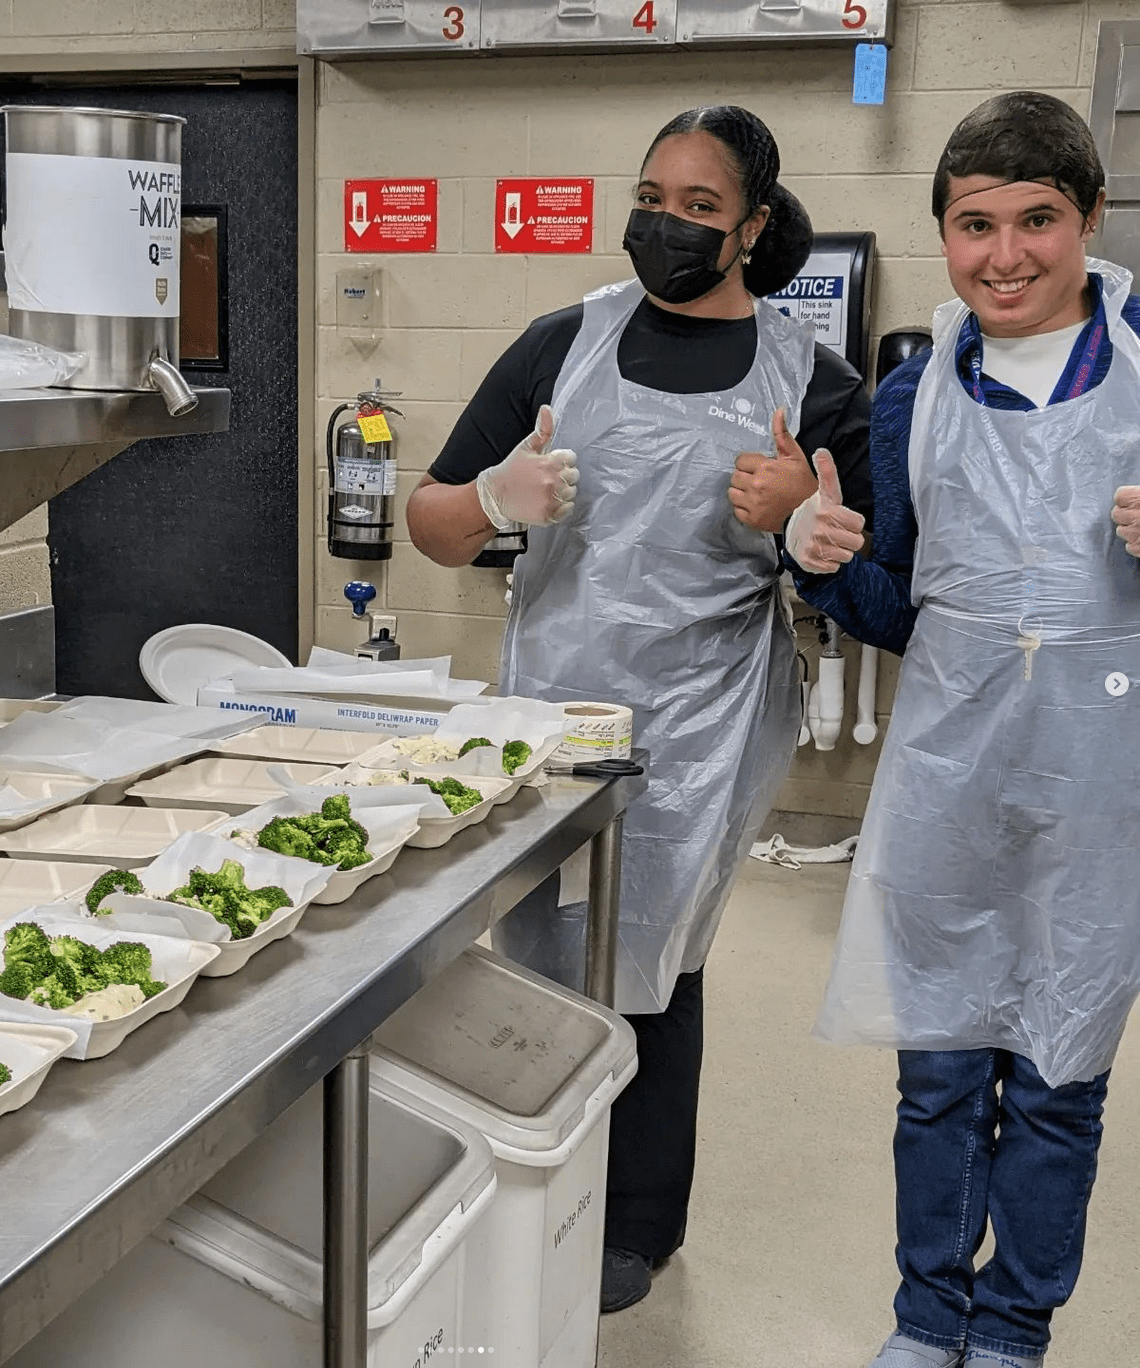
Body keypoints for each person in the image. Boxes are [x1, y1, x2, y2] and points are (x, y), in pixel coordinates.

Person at [406, 105, 871, 1314]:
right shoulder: (562, 342)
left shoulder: (810, 381)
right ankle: (529, 1165)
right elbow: (432, 522)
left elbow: (863, 572)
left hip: (709, 718)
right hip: (555, 706)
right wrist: (499, 500)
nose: (666, 225)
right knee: (546, 947)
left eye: (701, 207)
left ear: (755, 229)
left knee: (656, 956)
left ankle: (636, 1221)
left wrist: (803, 529)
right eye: (652, 198)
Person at [788, 91, 1140, 1368]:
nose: (1005, 256)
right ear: (943, 232)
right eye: (974, 223)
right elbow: (901, 611)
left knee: (1059, 1081)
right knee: (936, 1078)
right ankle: (927, 1317)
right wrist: (818, 557)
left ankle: (1015, 1328)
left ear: (1091, 221)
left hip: (1102, 793)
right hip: (951, 779)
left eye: (1038, 220)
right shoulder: (915, 389)